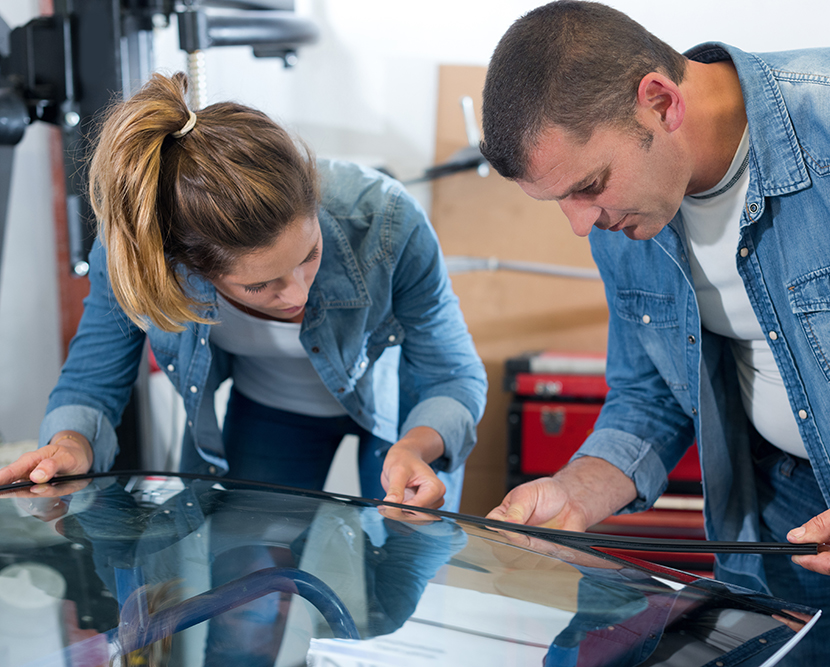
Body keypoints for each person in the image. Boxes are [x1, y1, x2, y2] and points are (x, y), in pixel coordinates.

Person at [479, 2, 830, 666]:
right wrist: (577, 488)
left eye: (589, 186)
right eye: (562, 200)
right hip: (778, 514)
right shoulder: (625, 217)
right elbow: (651, 395)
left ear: (661, 102)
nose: (581, 225)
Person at [0, 71, 487, 512]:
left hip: (401, 416)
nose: (296, 294)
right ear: (186, 266)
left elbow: (453, 375)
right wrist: (70, 445)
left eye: (309, 254)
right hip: (272, 414)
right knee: (240, 594)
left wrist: (415, 447)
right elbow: (92, 378)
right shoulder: (138, 255)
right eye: (260, 284)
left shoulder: (386, 220)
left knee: (396, 588)